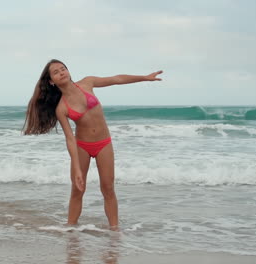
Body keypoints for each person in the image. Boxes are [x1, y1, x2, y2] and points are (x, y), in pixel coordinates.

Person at [23, 59, 163, 229]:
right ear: (51, 81)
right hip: (82, 146)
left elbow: (116, 79)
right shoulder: (61, 108)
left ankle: (114, 231)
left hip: (104, 143)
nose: (61, 72)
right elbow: (70, 139)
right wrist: (76, 168)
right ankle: (70, 230)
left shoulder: (87, 83)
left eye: (63, 68)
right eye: (56, 72)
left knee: (108, 188)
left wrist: (144, 78)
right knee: (77, 189)